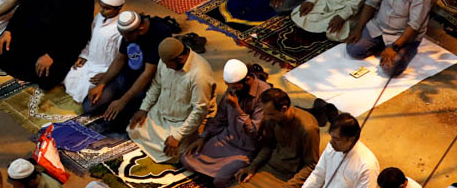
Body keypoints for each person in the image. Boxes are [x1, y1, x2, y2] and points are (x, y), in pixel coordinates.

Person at [128, 37, 216, 164]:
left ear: (180, 58)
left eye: (169, 64)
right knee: (135, 129)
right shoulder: (165, 61)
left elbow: (199, 110)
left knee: (170, 153)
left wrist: (177, 136)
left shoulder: (200, 75)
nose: (166, 67)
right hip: (161, 113)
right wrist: (144, 108)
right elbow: (157, 85)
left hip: (183, 122)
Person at [181, 60, 268, 188]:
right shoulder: (234, 88)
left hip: (246, 148)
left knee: (221, 181)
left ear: (247, 80)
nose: (232, 90)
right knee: (186, 158)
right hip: (227, 138)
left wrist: (237, 108)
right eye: (229, 86)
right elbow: (220, 117)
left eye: (235, 87)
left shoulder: (264, 94)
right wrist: (203, 137)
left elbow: (254, 132)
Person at [84, 10, 173, 124]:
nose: (125, 40)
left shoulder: (159, 34)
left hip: (145, 86)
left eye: (126, 37)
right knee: (89, 107)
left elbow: (147, 74)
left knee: (116, 121)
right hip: (125, 76)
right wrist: (102, 84)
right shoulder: (129, 32)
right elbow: (120, 58)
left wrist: (123, 101)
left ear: (140, 30)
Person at [234, 88, 320, 188]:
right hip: (268, 169)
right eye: (265, 113)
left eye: (270, 114)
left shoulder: (308, 128)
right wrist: (252, 167)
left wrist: (290, 186)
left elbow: (311, 165)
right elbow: (268, 147)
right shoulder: (271, 119)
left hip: (289, 178)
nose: (266, 118)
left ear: (283, 109)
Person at [63, 0, 125, 102]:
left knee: (83, 92)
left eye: (106, 8)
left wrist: (106, 75)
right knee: (69, 79)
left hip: (104, 68)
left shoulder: (120, 28)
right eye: (101, 6)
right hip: (91, 62)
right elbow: (91, 39)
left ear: (119, 8)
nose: (101, 10)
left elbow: (121, 57)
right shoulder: (100, 17)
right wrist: (84, 55)